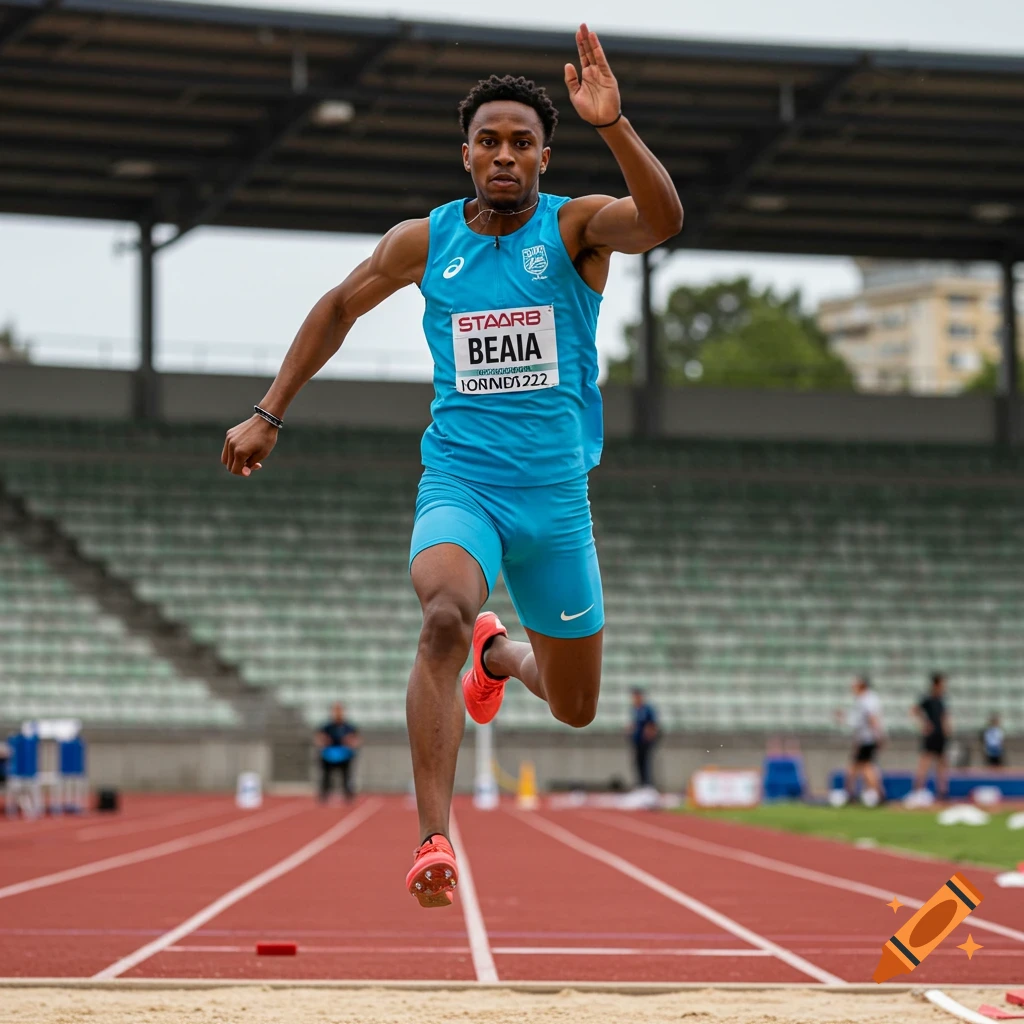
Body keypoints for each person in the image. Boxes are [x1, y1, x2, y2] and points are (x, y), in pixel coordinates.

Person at [222, 25, 682, 908]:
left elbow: (661, 220)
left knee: (577, 704)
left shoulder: (578, 227)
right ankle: (433, 838)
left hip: (555, 503)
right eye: (489, 141)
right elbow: (337, 305)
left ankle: (500, 656)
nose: (505, 155)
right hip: (461, 483)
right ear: (465, 153)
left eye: (522, 142)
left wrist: (616, 127)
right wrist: (269, 408)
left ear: (545, 154)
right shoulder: (425, 243)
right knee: (439, 615)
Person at [836, 675, 884, 805]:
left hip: (867, 738)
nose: (853, 688)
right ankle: (853, 793)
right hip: (865, 738)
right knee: (859, 766)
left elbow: (870, 718)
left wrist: (878, 735)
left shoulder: (866, 700)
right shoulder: (867, 698)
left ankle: (875, 794)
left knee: (865, 766)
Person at [911, 672, 952, 801]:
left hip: (941, 736)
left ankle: (942, 792)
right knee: (925, 763)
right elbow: (914, 710)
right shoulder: (928, 698)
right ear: (936, 684)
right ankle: (917, 790)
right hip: (931, 735)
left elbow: (944, 716)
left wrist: (947, 728)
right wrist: (924, 724)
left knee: (942, 763)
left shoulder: (942, 699)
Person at [315, 703, 361, 803]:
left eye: (339, 711)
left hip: (344, 756)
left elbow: (356, 740)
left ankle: (348, 795)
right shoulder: (327, 727)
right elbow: (319, 739)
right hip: (329, 756)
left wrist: (350, 743)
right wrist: (324, 741)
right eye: (336, 711)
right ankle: (324, 794)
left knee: (346, 776)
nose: (337, 714)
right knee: (326, 776)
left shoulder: (349, 727)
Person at [627, 687, 659, 789]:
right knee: (638, 762)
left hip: (645, 741)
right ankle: (641, 783)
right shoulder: (635, 709)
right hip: (637, 741)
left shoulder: (647, 709)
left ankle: (647, 784)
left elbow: (652, 724)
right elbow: (635, 723)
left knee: (645, 762)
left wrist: (649, 734)